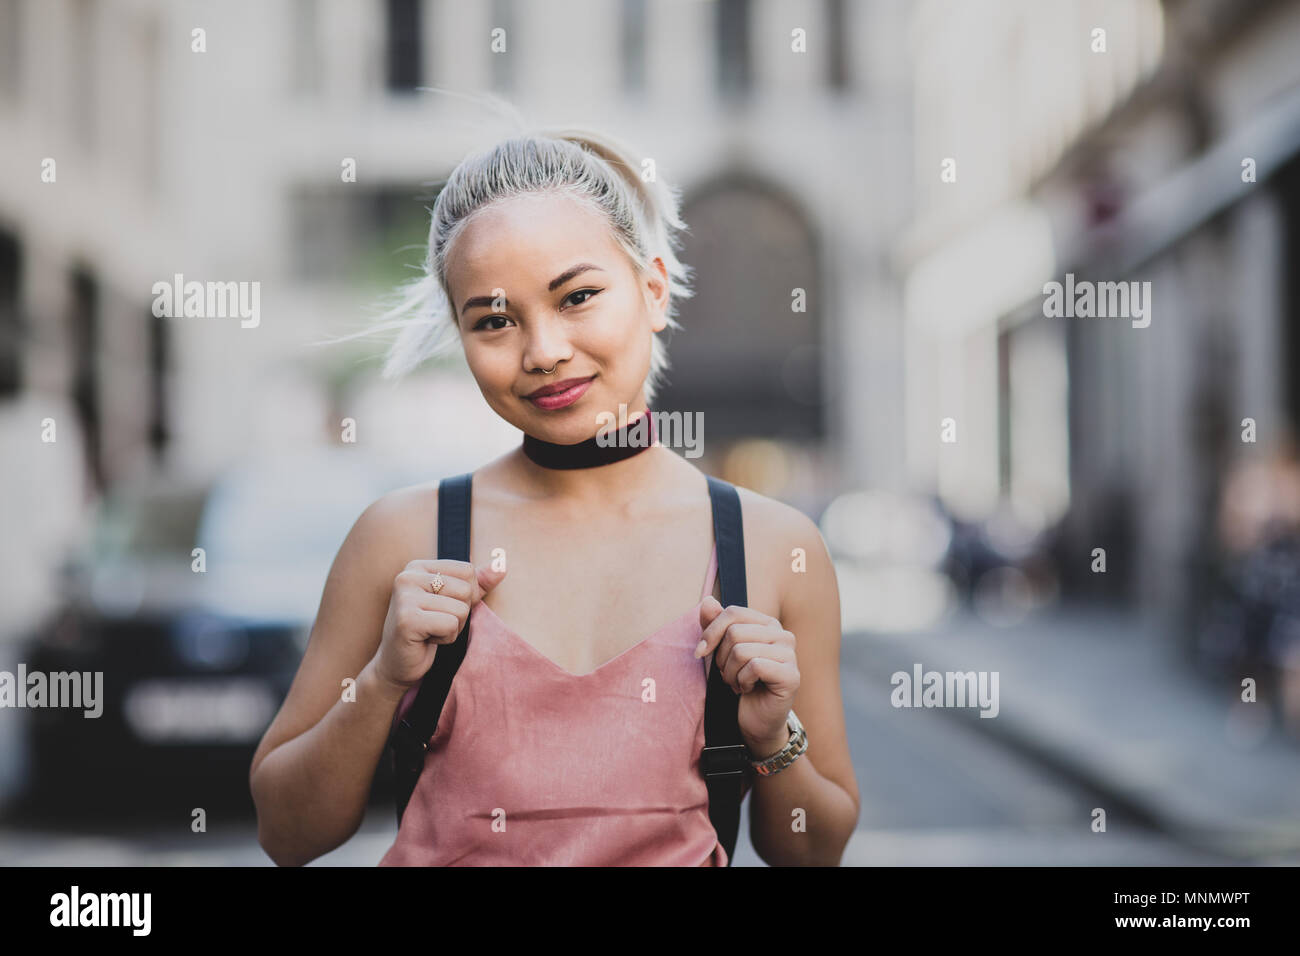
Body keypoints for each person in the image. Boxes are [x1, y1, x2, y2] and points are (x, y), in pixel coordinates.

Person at [249, 126, 859, 866]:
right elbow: (286, 832)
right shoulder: (401, 538)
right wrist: (380, 683)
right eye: (495, 321)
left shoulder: (773, 546)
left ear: (654, 290)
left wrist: (772, 736)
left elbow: (815, 849)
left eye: (577, 297)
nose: (542, 351)